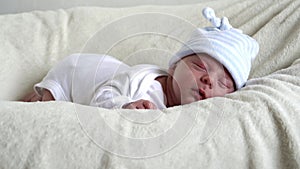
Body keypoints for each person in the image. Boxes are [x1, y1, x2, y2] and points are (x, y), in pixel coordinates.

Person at [21, 7, 259, 109]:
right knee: (41, 104)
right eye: (199, 66)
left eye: (223, 83)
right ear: (175, 66)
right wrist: (125, 105)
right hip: (74, 74)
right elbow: (103, 95)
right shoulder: (144, 81)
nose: (208, 80)